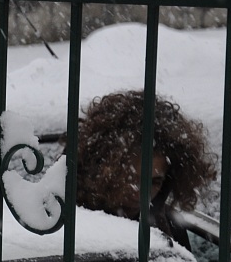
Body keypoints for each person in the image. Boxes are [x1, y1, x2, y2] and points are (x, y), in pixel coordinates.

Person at [76, 90, 216, 244]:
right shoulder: (62, 226)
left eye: (154, 182)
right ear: (98, 169)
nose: (140, 195)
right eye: (128, 178)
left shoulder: (169, 229)